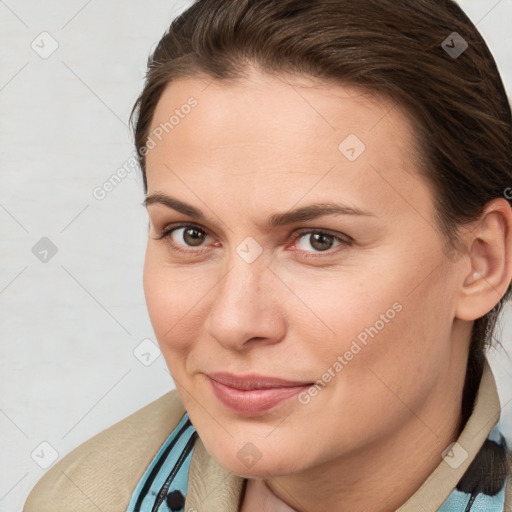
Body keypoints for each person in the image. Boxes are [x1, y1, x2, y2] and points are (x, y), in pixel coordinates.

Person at [24, 0, 512, 510]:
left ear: (481, 261)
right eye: (190, 234)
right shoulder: (79, 496)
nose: (234, 322)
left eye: (318, 240)